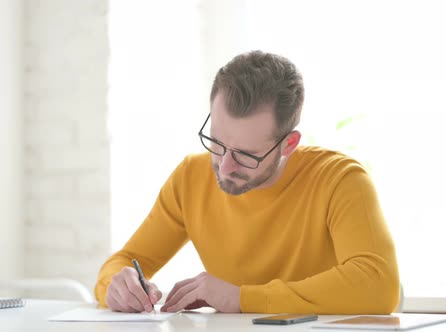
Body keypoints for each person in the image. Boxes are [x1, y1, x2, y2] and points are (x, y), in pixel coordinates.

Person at [94, 50, 400, 314]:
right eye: (216, 142)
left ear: (289, 144)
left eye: (246, 155)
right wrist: (117, 286)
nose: (225, 166)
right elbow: (125, 261)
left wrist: (241, 298)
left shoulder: (340, 179)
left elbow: (378, 285)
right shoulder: (190, 177)